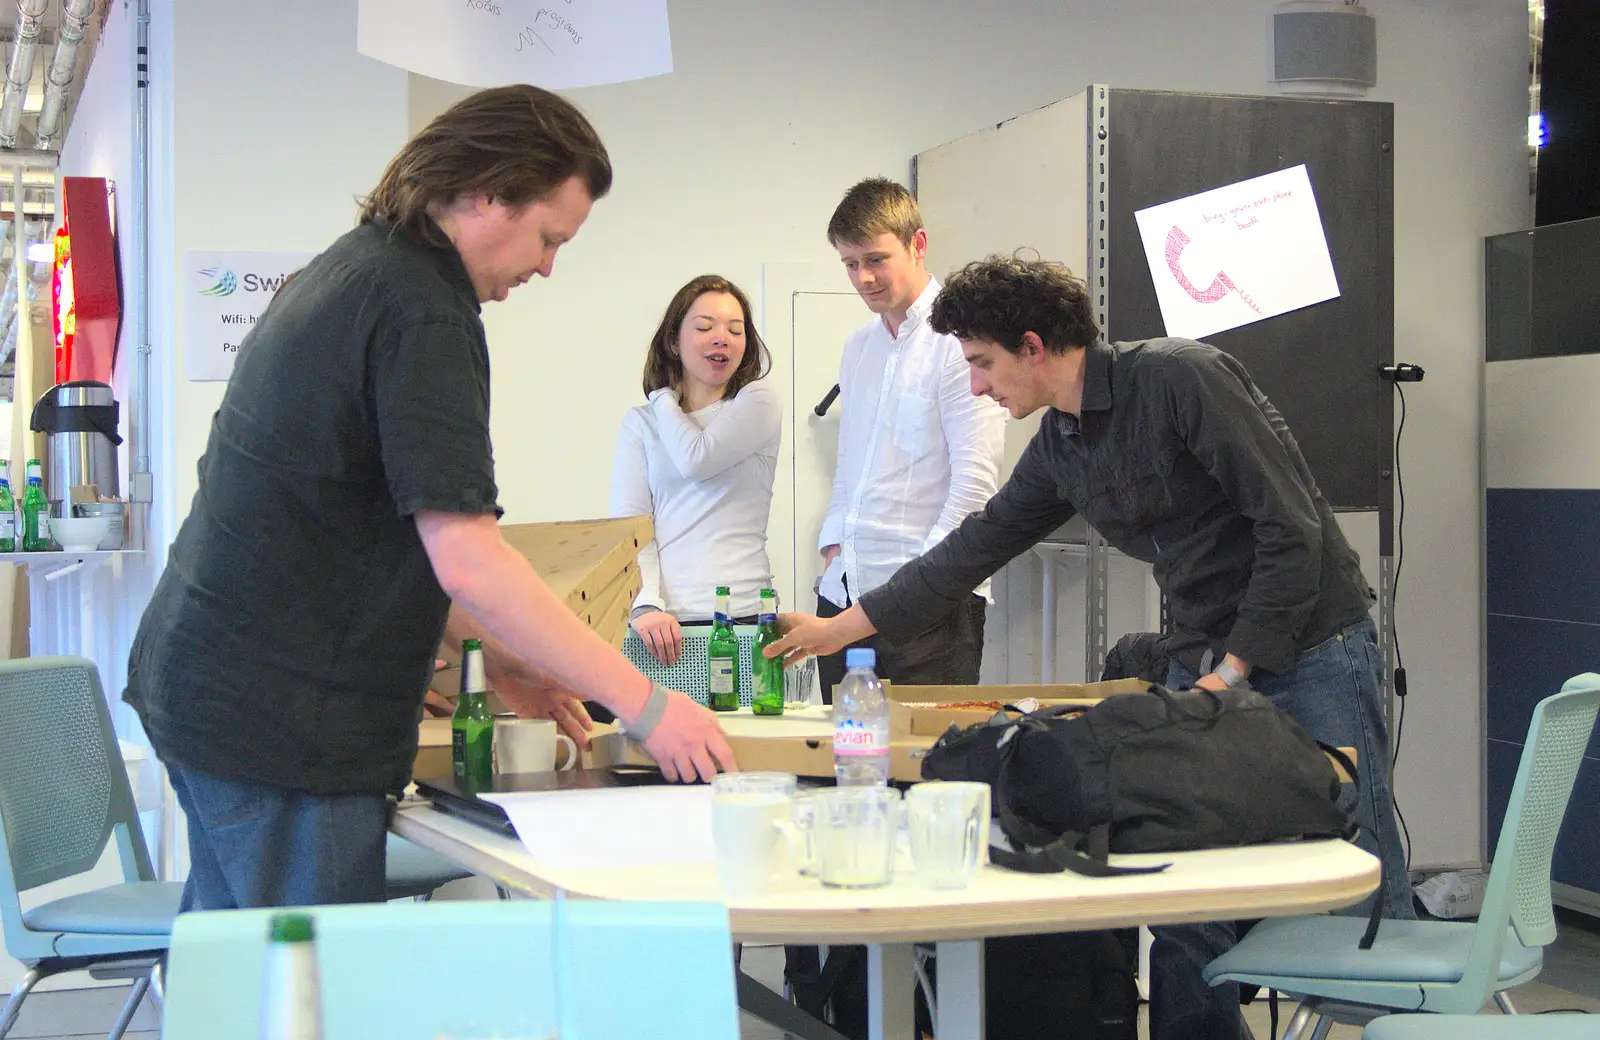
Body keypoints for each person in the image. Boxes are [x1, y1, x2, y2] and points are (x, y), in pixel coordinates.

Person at [769, 255, 1416, 1040]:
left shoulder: (1184, 381)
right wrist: (837, 628)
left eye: (981, 363)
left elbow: (1292, 527)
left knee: (1364, 861)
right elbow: (969, 552)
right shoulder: (1061, 448)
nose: (976, 386)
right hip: (1204, 652)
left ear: (1033, 346)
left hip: (1311, 640)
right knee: (1184, 883)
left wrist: (1237, 671)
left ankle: (1401, 1023)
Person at [124, 84, 736, 913]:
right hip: (281, 719)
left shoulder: (355, 267)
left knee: (238, 976)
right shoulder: (424, 313)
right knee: (310, 997)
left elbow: (379, 532)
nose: (548, 267)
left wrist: (510, 662)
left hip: (209, 687)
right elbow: (471, 557)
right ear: (489, 191)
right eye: (549, 237)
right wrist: (649, 705)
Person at [814, 177, 1007, 696]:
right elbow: (850, 464)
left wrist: (921, 587)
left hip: (929, 605)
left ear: (918, 245)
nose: (863, 278)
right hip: (846, 591)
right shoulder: (860, 347)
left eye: (875, 259)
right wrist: (834, 544)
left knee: (926, 768)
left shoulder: (959, 342)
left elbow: (975, 482)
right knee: (845, 764)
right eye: (850, 264)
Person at [610, 275, 781, 666]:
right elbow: (630, 524)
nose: (721, 338)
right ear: (674, 340)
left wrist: (662, 398)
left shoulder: (757, 401)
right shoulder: (641, 423)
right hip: (663, 622)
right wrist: (645, 604)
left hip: (744, 613)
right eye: (704, 327)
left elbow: (696, 460)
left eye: (735, 330)